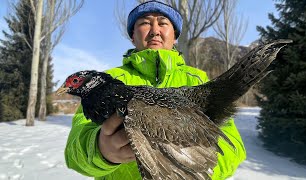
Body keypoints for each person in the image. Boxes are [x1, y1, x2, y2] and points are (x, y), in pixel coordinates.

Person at [64, 1, 246, 179]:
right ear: (133, 36)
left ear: (174, 36)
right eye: (144, 23)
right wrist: (100, 150)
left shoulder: (197, 80)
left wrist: (200, 169)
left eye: (163, 23)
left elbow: (233, 146)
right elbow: (75, 150)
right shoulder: (107, 82)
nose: (155, 30)